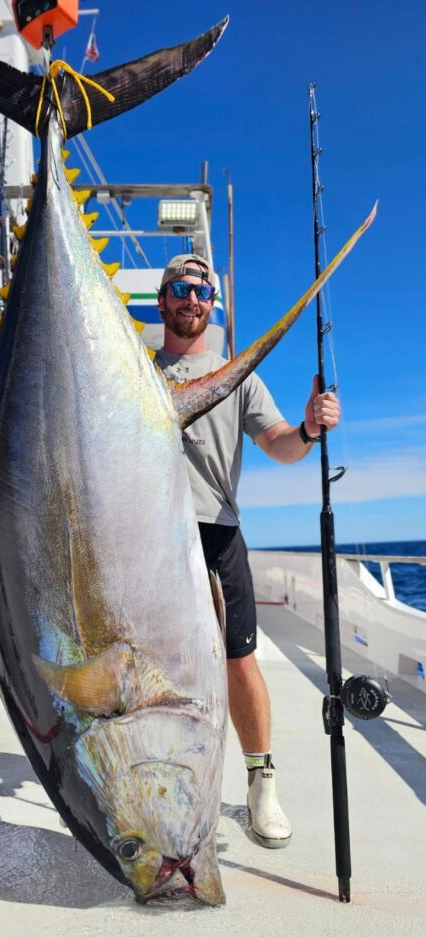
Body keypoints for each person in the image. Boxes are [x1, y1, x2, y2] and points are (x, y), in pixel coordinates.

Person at [155, 253, 340, 848]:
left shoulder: (240, 374)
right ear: (162, 300)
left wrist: (310, 428)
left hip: (217, 533)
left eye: (202, 292)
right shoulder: (132, 367)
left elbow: (280, 445)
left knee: (239, 661)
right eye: (182, 289)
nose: (193, 300)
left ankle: (261, 782)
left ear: (213, 305)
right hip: (149, 534)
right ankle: (161, 785)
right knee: (149, 668)